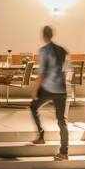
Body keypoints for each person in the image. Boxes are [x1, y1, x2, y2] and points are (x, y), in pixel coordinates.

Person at [29, 24, 70, 156]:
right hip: (62, 90)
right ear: (52, 34)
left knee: (33, 106)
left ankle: (41, 136)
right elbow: (68, 71)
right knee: (61, 120)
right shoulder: (63, 50)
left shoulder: (44, 51)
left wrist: (35, 89)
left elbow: (42, 73)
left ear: (43, 36)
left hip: (48, 88)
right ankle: (64, 152)